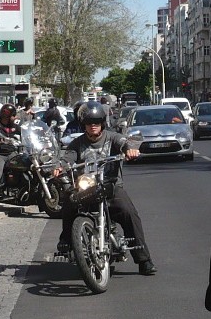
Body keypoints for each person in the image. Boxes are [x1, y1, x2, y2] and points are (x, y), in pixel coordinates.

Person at [54, 101, 156, 275]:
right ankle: (66, 240)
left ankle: (144, 259)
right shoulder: (77, 143)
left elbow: (124, 143)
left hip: (111, 187)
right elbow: (67, 157)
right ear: (83, 124)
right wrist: (60, 166)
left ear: (102, 122)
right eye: (89, 122)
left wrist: (130, 149)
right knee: (69, 201)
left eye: (96, 122)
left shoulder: (112, 137)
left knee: (128, 212)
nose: (93, 125)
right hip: (86, 188)